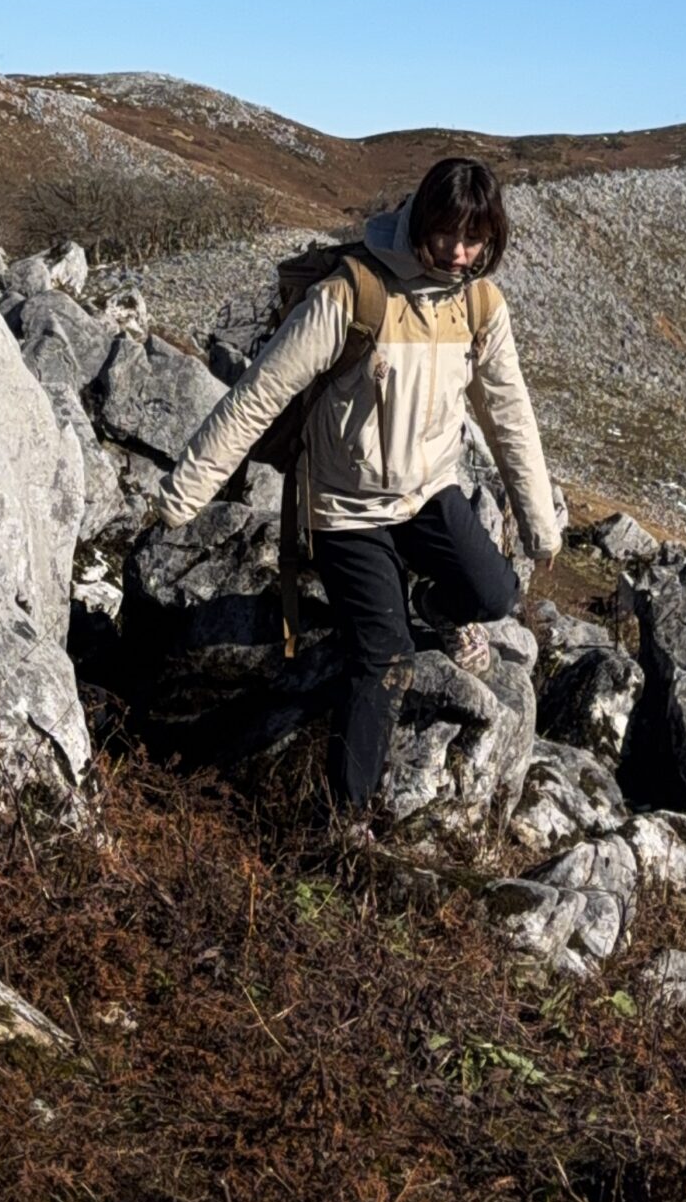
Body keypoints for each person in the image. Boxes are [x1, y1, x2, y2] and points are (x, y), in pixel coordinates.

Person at [153, 157, 560, 823]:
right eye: (448, 236)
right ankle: (345, 823)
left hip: (428, 491)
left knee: (496, 593)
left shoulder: (480, 304)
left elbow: (508, 413)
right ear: (420, 221)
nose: (460, 254)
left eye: (476, 240)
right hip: (345, 510)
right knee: (385, 660)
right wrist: (182, 493)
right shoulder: (353, 293)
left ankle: (433, 603)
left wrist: (540, 525)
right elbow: (261, 394)